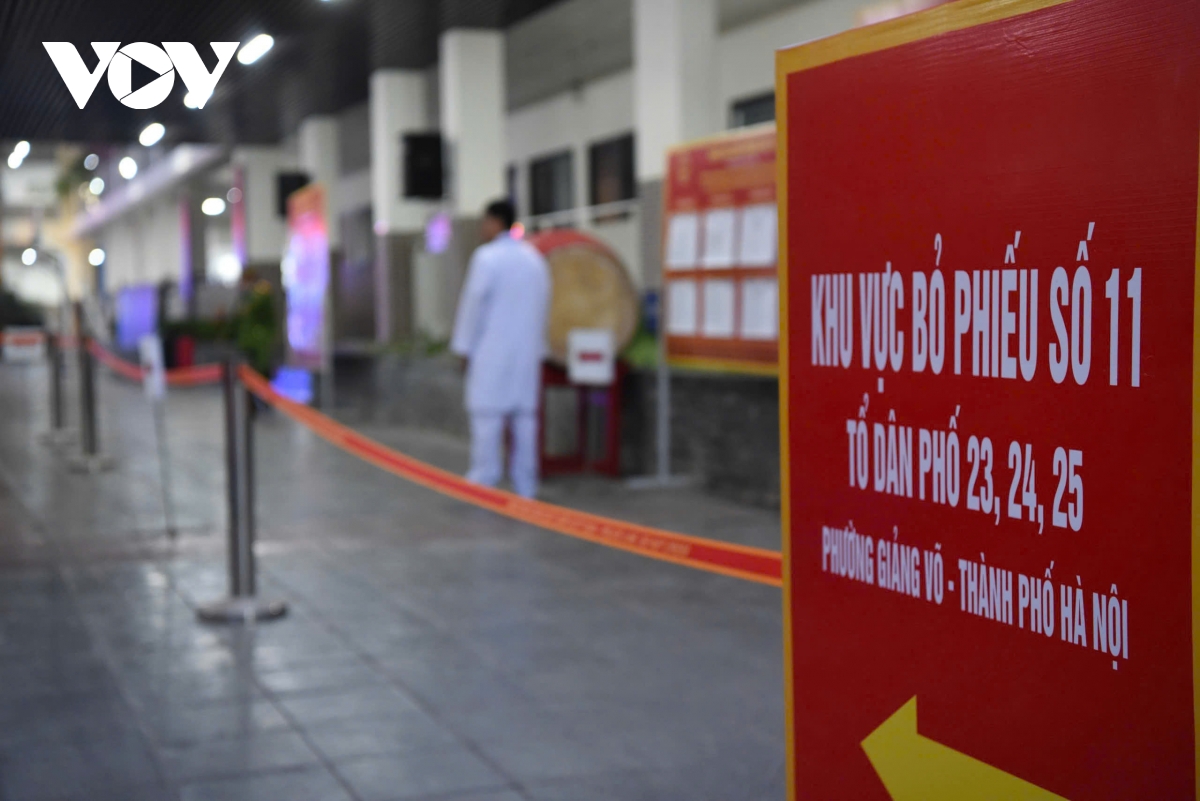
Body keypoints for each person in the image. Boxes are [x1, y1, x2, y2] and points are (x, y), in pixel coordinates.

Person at [450, 199, 551, 498]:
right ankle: (526, 485)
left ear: (496, 222)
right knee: (524, 421)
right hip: (525, 355)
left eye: (485, 222)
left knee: (487, 419)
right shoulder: (534, 259)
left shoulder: (486, 258)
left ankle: (484, 478)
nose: (482, 228)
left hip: (491, 352)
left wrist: (464, 348)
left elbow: (472, 307)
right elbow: (544, 307)